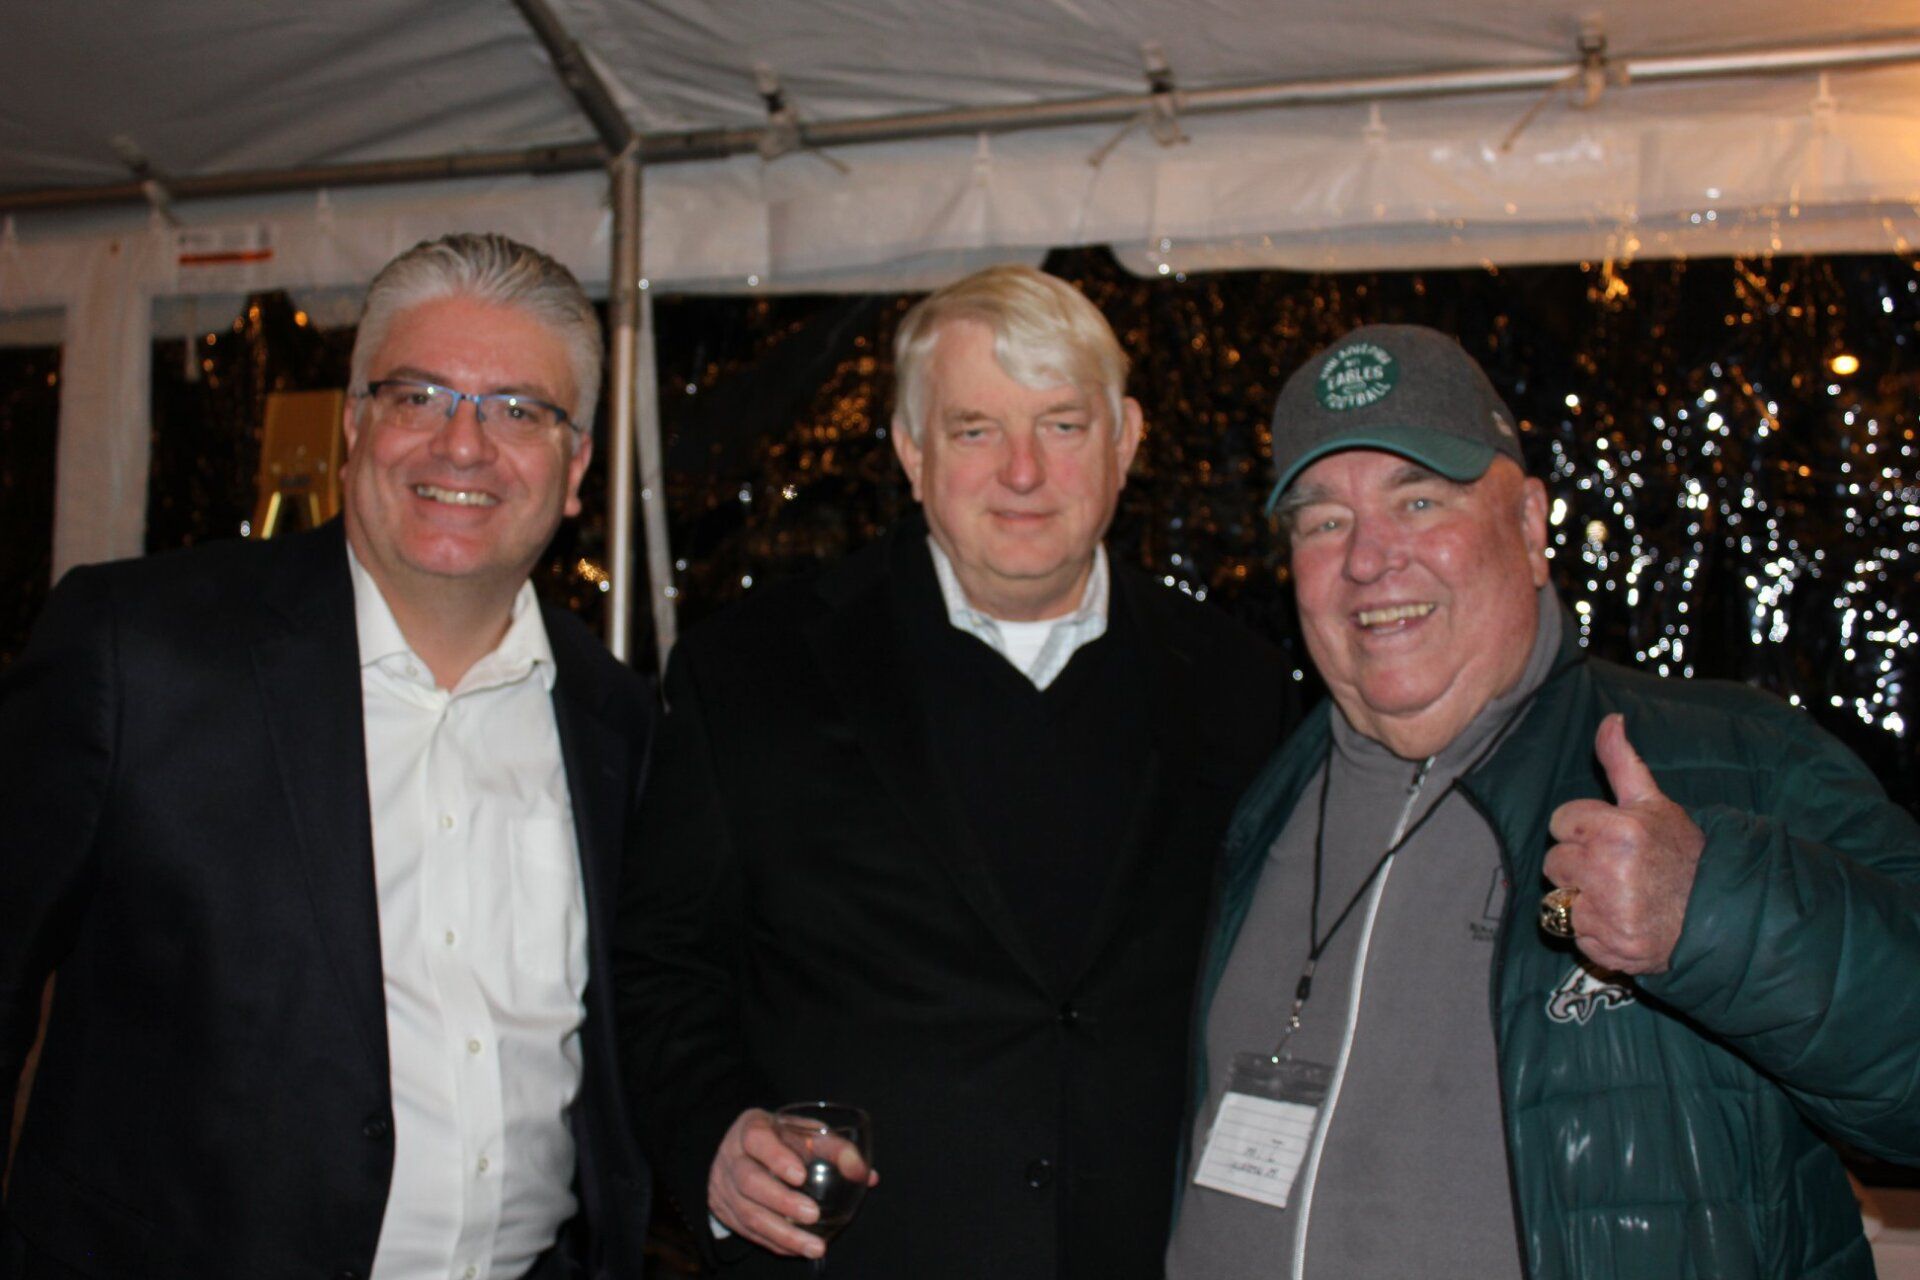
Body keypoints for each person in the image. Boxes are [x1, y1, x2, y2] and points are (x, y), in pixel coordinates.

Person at [1165, 323, 1920, 1279]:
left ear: (1528, 526)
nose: (1367, 560)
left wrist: (1719, 912)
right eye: (1323, 521)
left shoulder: (1733, 761)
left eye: (1420, 499)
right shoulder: (1257, 806)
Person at [615, 264, 1293, 1278]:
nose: (1023, 471)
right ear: (910, 450)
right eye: (976, 428)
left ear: (1127, 441)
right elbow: (661, 963)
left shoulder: (1240, 686)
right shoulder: (750, 671)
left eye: (1062, 425)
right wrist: (713, 1131)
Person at [0, 233, 652, 1280]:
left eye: (519, 410)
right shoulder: (140, 651)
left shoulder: (619, 725)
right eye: (419, 395)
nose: (464, 445)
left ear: (575, 469)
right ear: (354, 425)